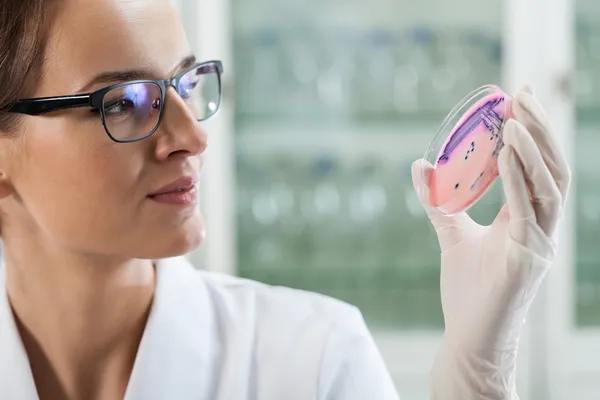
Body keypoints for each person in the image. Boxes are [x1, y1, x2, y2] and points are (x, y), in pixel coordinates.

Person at [0, 0, 571, 399]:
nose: (194, 137)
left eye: (185, 83)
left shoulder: (313, 360)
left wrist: (480, 384)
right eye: (123, 101)